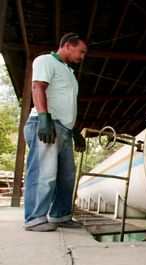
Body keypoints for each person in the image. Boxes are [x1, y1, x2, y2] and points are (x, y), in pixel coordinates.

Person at [23, 33, 88, 231]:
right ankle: (34, 218)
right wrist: (44, 118)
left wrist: (75, 131)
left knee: (66, 177)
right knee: (44, 173)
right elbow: (38, 87)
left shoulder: (68, 71)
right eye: (81, 52)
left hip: (64, 129)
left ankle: (60, 215)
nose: (82, 57)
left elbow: (64, 103)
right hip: (46, 124)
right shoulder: (46, 60)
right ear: (68, 45)